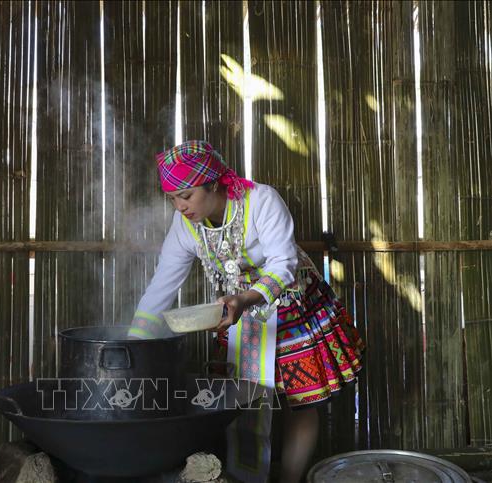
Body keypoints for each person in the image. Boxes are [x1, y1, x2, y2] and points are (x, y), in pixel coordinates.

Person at [127, 140, 364, 483]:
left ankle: (289, 480)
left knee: (302, 399)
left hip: (291, 303)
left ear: (213, 183)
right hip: (239, 313)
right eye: (173, 198)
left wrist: (244, 300)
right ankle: (248, 478)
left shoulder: (261, 201)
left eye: (187, 195)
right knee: (245, 401)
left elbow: (284, 266)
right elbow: (162, 286)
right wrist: (134, 342)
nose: (180, 206)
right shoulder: (186, 227)